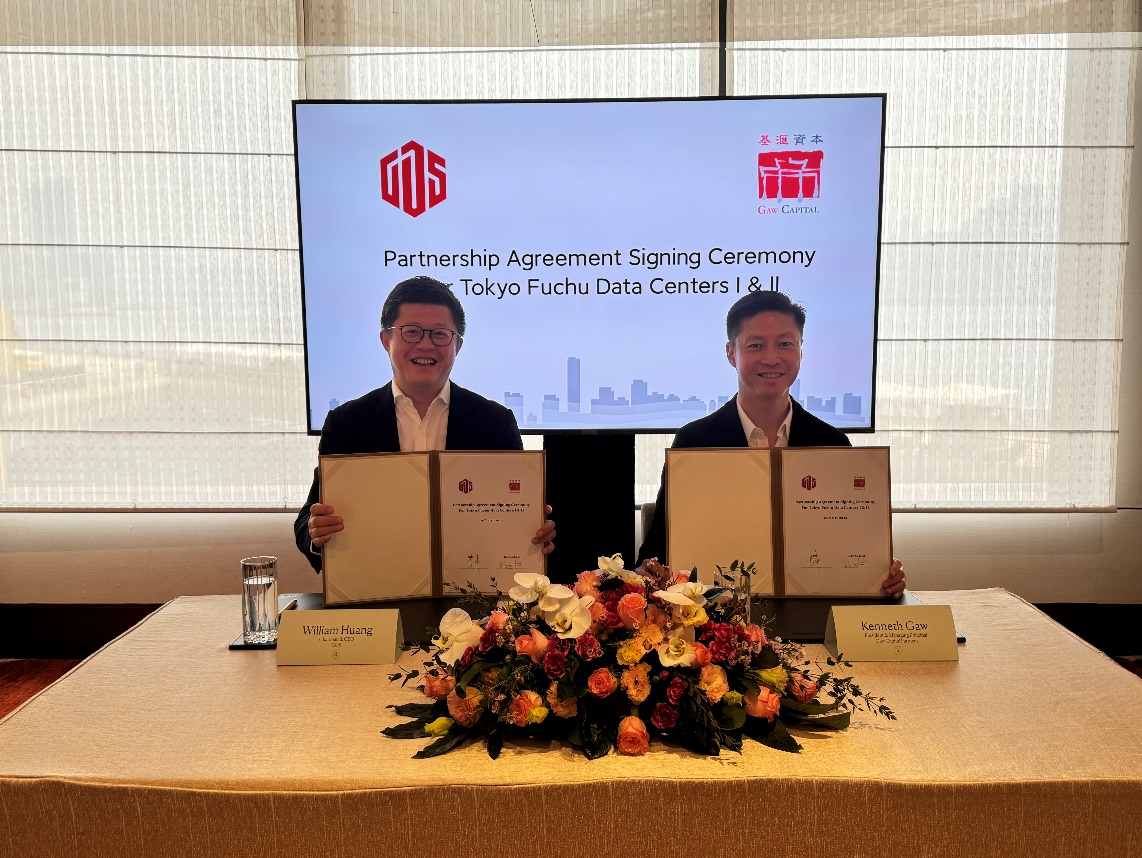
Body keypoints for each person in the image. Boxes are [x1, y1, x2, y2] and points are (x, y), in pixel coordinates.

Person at [637, 290, 906, 598]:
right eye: (756, 345)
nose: (771, 358)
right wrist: (647, 572)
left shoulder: (832, 444)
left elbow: (851, 546)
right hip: (718, 614)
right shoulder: (693, 442)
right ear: (731, 353)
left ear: (801, 350)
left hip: (810, 611)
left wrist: (880, 576)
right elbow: (656, 551)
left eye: (785, 344)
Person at [295, 276, 555, 572]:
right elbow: (306, 522)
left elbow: (515, 512)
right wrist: (316, 532)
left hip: (472, 591)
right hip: (377, 586)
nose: (426, 344)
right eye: (412, 332)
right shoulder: (346, 424)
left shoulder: (495, 422)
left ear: (457, 345)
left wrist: (534, 531)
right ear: (386, 340)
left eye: (440, 334)